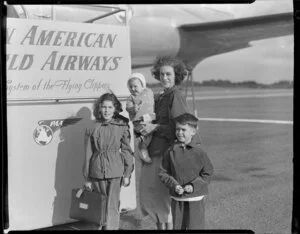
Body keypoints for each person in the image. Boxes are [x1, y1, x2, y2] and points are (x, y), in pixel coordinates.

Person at [138, 55, 202, 230]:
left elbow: (180, 127)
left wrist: (155, 127)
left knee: (163, 199)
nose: (164, 78)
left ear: (176, 76)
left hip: (165, 154)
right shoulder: (161, 96)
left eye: (168, 74)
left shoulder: (175, 95)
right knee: (154, 198)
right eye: (161, 74)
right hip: (154, 151)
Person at [82, 92, 134, 230]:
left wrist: (127, 174)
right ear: (99, 108)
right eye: (104, 107)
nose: (106, 110)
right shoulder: (92, 127)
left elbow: (127, 151)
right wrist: (87, 177)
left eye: (110, 107)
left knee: (112, 206)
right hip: (97, 171)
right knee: (99, 206)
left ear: (115, 109)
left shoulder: (121, 126)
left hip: (115, 171)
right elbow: (88, 153)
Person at [159, 113, 213, 230]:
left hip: (195, 198)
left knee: (196, 227)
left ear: (193, 131)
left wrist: (193, 186)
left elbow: (207, 173)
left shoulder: (199, 152)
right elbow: (163, 172)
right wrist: (174, 185)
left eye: (183, 129)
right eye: (177, 129)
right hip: (177, 198)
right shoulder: (170, 151)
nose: (179, 132)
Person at [126, 73, 156, 164]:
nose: (133, 89)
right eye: (130, 87)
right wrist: (133, 109)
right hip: (139, 121)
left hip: (150, 118)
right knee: (147, 135)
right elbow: (128, 108)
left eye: (135, 86)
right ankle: (143, 151)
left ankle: (144, 149)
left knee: (152, 134)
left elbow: (154, 99)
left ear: (142, 85)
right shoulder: (131, 98)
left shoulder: (149, 92)